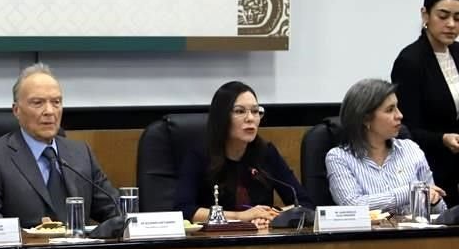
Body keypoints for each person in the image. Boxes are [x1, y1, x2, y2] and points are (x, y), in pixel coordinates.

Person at [0, 63, 119, 228]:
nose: (49, 111)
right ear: (16, 110)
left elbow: (115, 210)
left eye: (56, 102)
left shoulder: (81, 153)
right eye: (38, 103)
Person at [174, 81, 310, 225]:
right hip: (214, 238)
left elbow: (304, 203)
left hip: (261, 236)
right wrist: (240, 216)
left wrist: (269, 214)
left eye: (255, 111)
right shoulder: (199, 155)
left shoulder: (266, 153)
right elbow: (184, 210)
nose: (250, 118)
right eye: (240, 111)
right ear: (222, 118)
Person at [326, 78, 447, 216]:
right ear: (365, 118)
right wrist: (409, 192)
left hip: (416, 229)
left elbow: (441, 211)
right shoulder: (339, 158)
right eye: (390, 110)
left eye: (397, 107)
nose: (400, 115)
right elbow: (352, 205)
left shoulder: (411, 149)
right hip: (369, 231)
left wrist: (434, 201)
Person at [391, 0, 459, 205]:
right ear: (425, 15)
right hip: (431, 168)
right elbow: (405, 129)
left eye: (457, 18)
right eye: (443, 16)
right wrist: (442, 139)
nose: (451, 24)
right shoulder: (410, 61)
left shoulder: (457, 52)